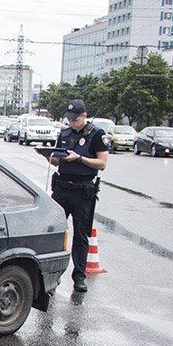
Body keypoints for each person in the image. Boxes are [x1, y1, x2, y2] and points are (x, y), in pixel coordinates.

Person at [49, 99, 109, 293]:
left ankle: (79, 277)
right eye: (69, 119)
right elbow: (58, 160)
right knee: (54, 232)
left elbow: (102, 163)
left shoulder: (97, 134)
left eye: (75, 119)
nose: (71, 123)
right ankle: (51, 277)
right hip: (62, 187)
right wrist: (48, 154)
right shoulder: (64, 133)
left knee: (81, 235)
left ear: (84, 116)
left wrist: (80, 158)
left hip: (83, 190)